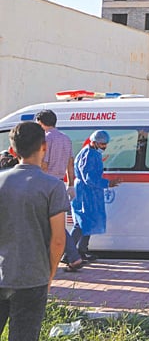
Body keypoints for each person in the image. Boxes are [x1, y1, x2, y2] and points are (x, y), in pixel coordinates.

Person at [0, 122, 69, 340]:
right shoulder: (53, 187)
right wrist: (49, 273)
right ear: (44, 147)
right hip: (33, 276)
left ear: (12, 151)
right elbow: (58, 240)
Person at [35, 109, 84, 273]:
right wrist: (70, 184)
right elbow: (70, 163)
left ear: (41, 122)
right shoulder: (65, 139)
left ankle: (73, 255)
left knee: (47, 222)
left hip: (45, 182)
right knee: (55, 221)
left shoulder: (45, 139)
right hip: (59, 183)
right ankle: (72, 255)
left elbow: (44, 164)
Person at [71, 130, 121, 261]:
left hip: (90, 192)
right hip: (85, 192)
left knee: (88, 222)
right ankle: (69, 253)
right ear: (94, 142)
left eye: (105, 144)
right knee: (82, 223)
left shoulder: (93, 153)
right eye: (102, 144)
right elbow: (89, 178)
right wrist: (107, 183)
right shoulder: (89, 155)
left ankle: (82, 250)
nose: (104, 147)